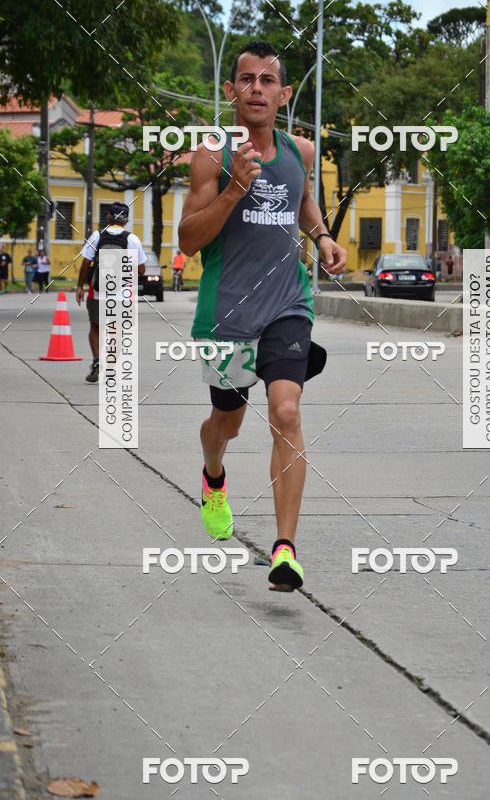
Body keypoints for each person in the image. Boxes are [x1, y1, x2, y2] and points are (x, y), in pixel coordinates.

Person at [179, 40, 347, 593]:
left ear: (283, 93)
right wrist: (234, 189)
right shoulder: (211, 154)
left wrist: (322, 238)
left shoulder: (299, 151)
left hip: (286, 306)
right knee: (227, 423)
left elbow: (304, 203)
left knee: (287, 410)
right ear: (231, 92)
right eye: (246, 79)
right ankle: (213, 476)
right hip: (227, 312)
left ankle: (284, 550)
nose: (256, 88)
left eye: (267, 80)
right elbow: (188, 237)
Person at [76, 201, 146, 383]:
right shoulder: (132, 239)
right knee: (117, 331)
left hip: (97, 292)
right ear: (127, 220)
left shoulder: (97, 236)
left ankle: (98, 361)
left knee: (95, 328)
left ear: (108, 216)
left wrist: (79, 287)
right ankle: (111, 368)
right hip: (122, 295)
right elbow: (141, 270)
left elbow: (85, 263)